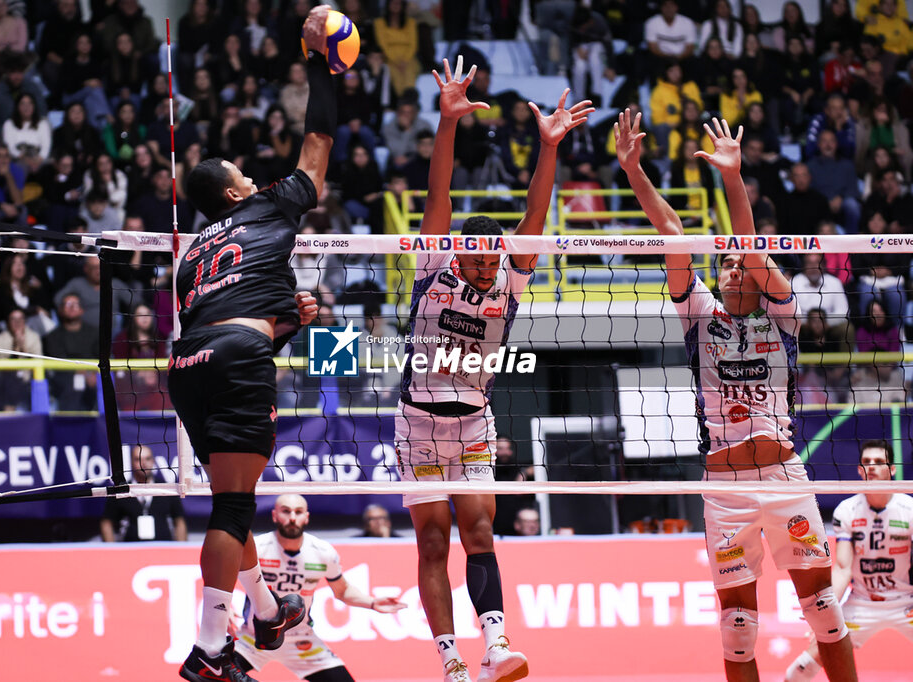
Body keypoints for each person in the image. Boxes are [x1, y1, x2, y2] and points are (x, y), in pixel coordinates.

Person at [614, 110, 858, 682]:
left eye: (733, 262)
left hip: (783, 479)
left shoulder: (783, 313)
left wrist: (732, 177)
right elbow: (674, 235)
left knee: (822, 609)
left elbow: (750, 247)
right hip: (725, 491)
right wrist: (633, 171)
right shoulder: (699, 313)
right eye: (720, 262)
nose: (726, 268)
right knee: (738, 625)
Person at [395, 56, 592, 682]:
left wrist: (548, 146)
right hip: (420, 422)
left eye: (492, 260)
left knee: (479, 529)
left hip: (475, 420)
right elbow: (439, 193)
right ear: (458, 251)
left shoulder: (511, 273)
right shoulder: (434, 267)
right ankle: (450, 661)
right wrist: (448, 122)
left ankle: (497, 647)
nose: (485, 267)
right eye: (476, 259)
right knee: (432, 542)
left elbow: (537, 209)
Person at [169, 8, 338, 682]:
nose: (250, 176)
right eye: (244, 172)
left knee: (229, 505)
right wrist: (326, 64)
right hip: (236, 360)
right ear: (238, 190)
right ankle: (212, 646)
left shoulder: (191, 255)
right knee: (234, 509)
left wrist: (289, 320)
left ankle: (265, 609)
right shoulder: (265, 206)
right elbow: (318, 142)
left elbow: (227, 307)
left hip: (190, 360)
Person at [232, 494, 405, 681]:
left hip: (301, 640)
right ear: (274, 516)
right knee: (214, 675)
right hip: (252, 638)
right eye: (286, 511)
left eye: (298, 512)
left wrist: (371, 602)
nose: (292, 517)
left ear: (306, 516)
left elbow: (343, 591)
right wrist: (223, 610)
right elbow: (224, 577)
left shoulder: (323, 552)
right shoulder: (257, 547)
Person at [785, 440, 913, 681]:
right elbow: (843, 568)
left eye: (879, 462)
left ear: (893, 469)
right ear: (859, 470)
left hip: (906, 603)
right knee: (798, 671)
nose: (872, 467)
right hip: (862, 604)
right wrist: (826, 612)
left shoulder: (909, 508)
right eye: (866, 462)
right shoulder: (847, 510)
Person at [100, 445, 187, 542]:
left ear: (153, 461)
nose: (143, 464)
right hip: (130, 550)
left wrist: (181, 548)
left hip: (163, 549)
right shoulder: (120, 490)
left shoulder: (167, 489)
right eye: (138, 459)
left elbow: (179, 521)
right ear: (131, 463)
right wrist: (112, 552)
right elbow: (107, 522)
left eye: (148, 459)